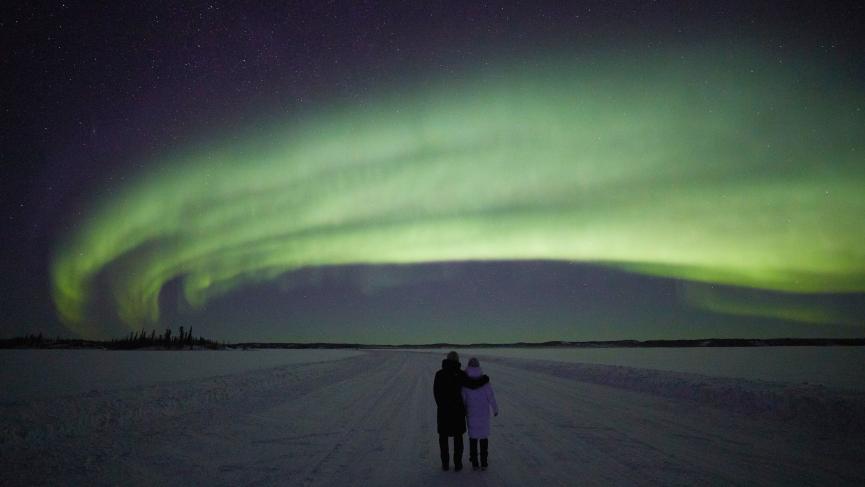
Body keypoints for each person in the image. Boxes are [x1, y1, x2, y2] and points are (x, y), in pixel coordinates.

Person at [433, 351, 488, 471]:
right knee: (458, 439)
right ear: (457, 361)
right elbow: (473, 384)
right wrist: (484, 379)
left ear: (447, 360)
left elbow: (436, 393)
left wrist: (441, 406)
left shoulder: (439, 374)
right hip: (457, 412)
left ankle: (445, 464)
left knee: (443, 438)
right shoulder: (460, 374)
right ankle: (457, 464)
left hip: (443, 412)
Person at [461, 357, 498, 471]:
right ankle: (484, 462)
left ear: (468, 366)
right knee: (483, 437)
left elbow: (463, 398)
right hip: (483, 414)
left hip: (471, 413)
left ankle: (475, 463)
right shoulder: (485, 382)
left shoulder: (465, 382)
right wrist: (495, 409)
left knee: (473, 438)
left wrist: (462, 411)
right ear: (478, 366)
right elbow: (491, 397)